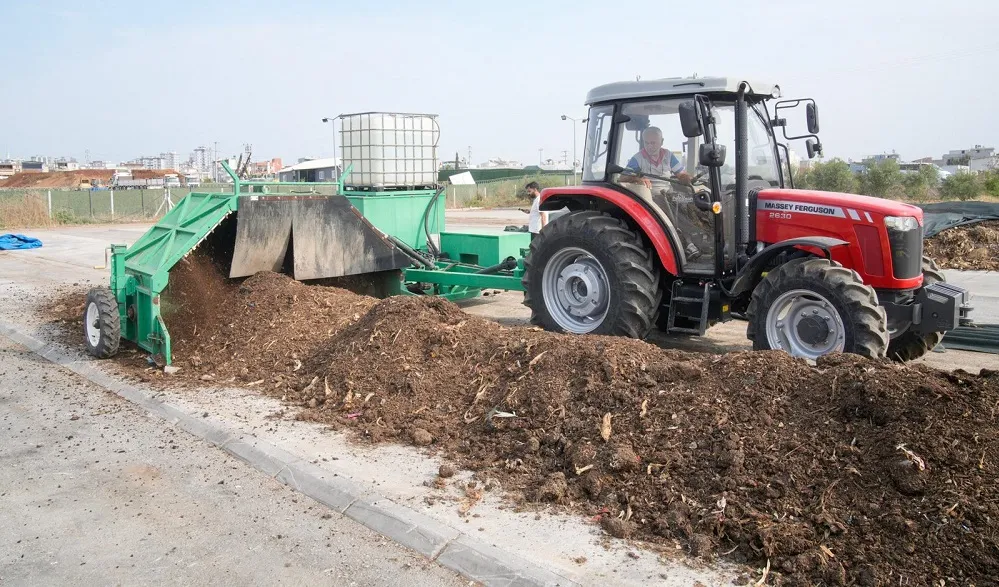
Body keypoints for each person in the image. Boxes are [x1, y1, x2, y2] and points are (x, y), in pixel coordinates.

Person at [620, 126, 691, 188]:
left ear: (662, 141)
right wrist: (637, 179)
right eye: (646, 143)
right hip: (645, 197)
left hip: (667, 195)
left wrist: (685, 178)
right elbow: (622, 178)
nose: (649, 146)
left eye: (653, 143)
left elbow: (681, 174)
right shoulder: (637, 158)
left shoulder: (669, 156)